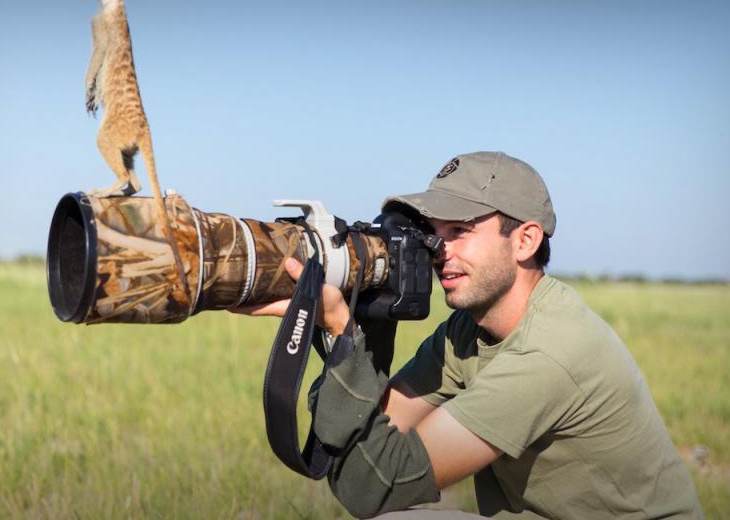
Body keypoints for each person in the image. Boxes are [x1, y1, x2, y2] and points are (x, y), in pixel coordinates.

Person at [238, 151, 702, 519]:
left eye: (460, 231)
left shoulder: (548, 352)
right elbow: (373, 430)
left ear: (525, 240)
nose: (439, 251)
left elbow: (372, 485)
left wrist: (342, 332)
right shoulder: (471, 327)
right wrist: (366, 313)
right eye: (433, 233)